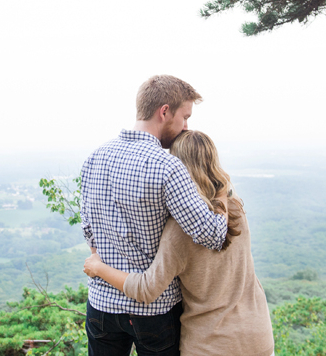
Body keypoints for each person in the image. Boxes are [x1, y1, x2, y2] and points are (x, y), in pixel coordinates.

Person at [84, 130, 275, 356]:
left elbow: (147, 289)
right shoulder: (235, 208)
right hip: (259, 337)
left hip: (210, 345)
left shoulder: (181, 230)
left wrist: (98, 268)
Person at [80, 75, 228, 356]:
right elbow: (213, 235)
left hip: (101, 304)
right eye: (184, 116)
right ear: (164, 112)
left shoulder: (93, 158)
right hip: (155, 312)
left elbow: (89, 231)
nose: (186, 126)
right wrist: (221, 189)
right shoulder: (167, 167)